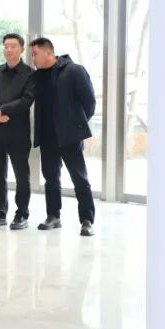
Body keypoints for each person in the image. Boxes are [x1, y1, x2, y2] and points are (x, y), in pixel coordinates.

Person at [29, 38, 97, 237]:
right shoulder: (38, 76)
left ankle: (86, 220)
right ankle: (53, 216)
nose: (33, 58)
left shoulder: (74, 71)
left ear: (48, 52)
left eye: (35, 54)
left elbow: (89, 102)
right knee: (51, 178)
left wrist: (77, 124)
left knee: (80, 178)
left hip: (70, 136)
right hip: (47, 136)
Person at [0, 33, 36, 230]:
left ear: (22, 49)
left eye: (13, 46)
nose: (8, 50)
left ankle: (22, 213)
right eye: (6, 46)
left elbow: (26, 101)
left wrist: (2, 110)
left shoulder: (30, 74)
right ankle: (0, 212)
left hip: (18, 132)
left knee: (21, 175)